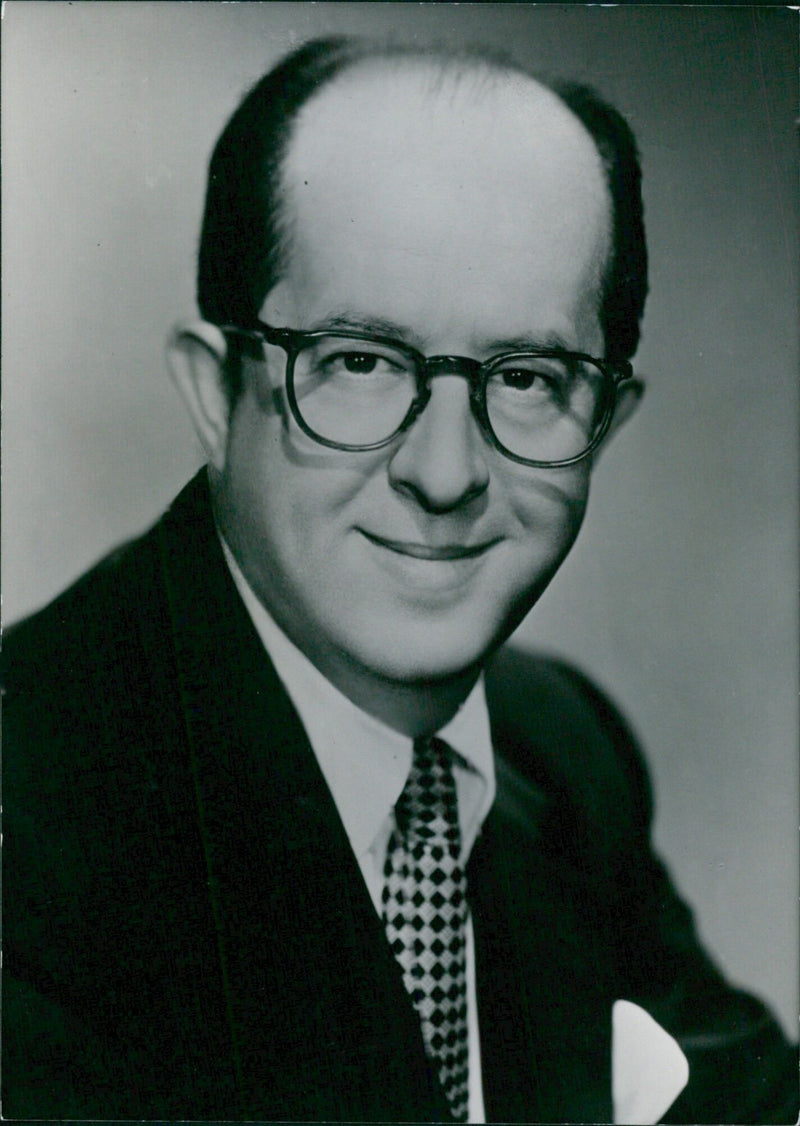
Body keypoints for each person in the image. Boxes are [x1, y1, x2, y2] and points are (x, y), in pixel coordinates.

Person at [3, 35, 796, 1124]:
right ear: (212, 394)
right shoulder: (31, 818)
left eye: (526, 378)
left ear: (602, 423)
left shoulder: (555, 746)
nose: (444, 473)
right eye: (360, 361)